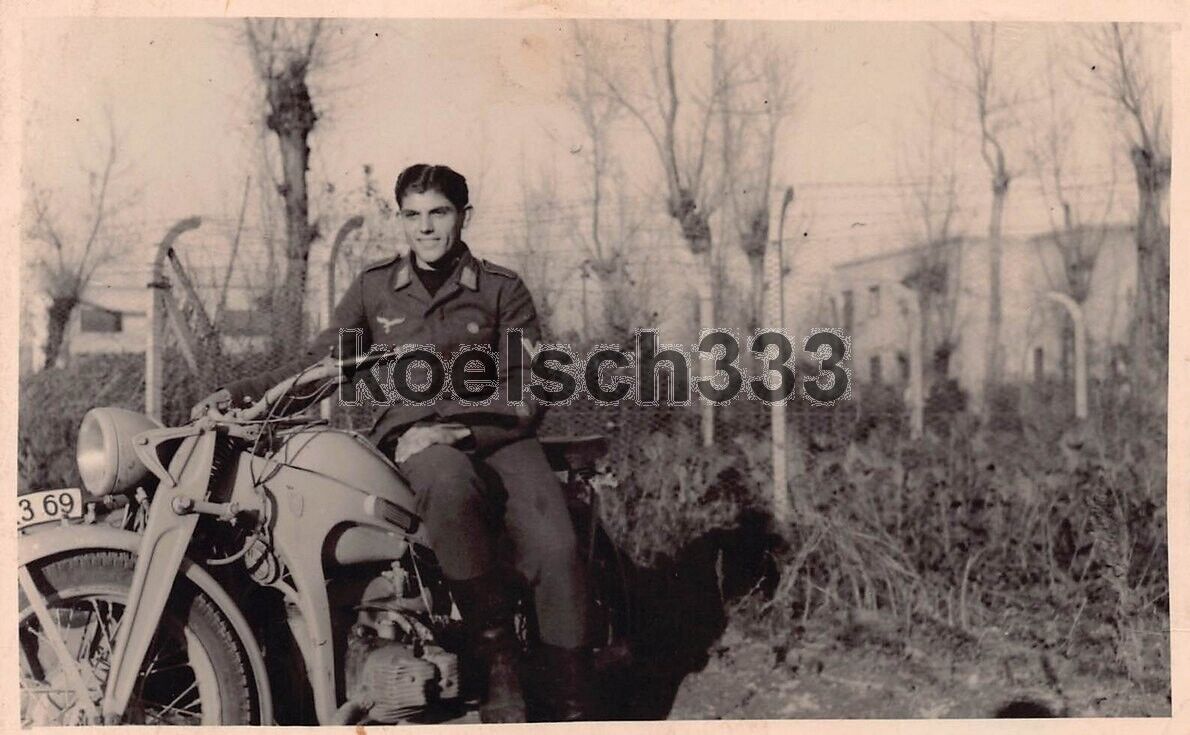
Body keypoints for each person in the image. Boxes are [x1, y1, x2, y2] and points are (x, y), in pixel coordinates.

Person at [193, 164, 593, 722]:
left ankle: (573, 705)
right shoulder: (375, 288)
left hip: (499, 437)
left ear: (463, 217)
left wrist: (462, 428)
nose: (426, 228)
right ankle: (495, 655)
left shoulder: (502, 288)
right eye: (413, 215)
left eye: (439, 213)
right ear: (400, 219)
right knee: (442, 478)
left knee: (558, 548)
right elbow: (320, 365)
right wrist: (238, 395)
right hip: (416, 446)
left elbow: (529, 389)